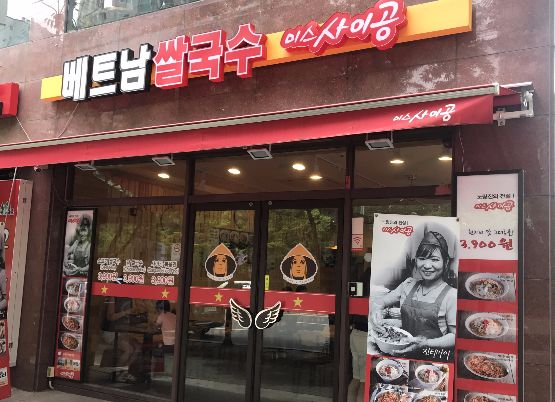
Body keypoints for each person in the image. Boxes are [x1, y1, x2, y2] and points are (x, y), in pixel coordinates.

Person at [370, 230, 457, 358]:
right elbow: (380, 301)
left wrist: (425, 343)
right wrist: (376, 310)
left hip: (431, 359)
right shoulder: (408, 284)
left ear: (446, 262)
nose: (427, 265)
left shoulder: (451, 295)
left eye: (435, 260)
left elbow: (455, 336)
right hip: (400, 351)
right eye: (422, 259)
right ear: (416, 260)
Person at [155, 300, 176, 375]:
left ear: (160, 308)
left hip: (167, 344)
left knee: (155, 347)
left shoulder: (162, 316)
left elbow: (155, 328)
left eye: (157, 308)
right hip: (175, 343)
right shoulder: (174, 316)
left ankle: (158, 370)